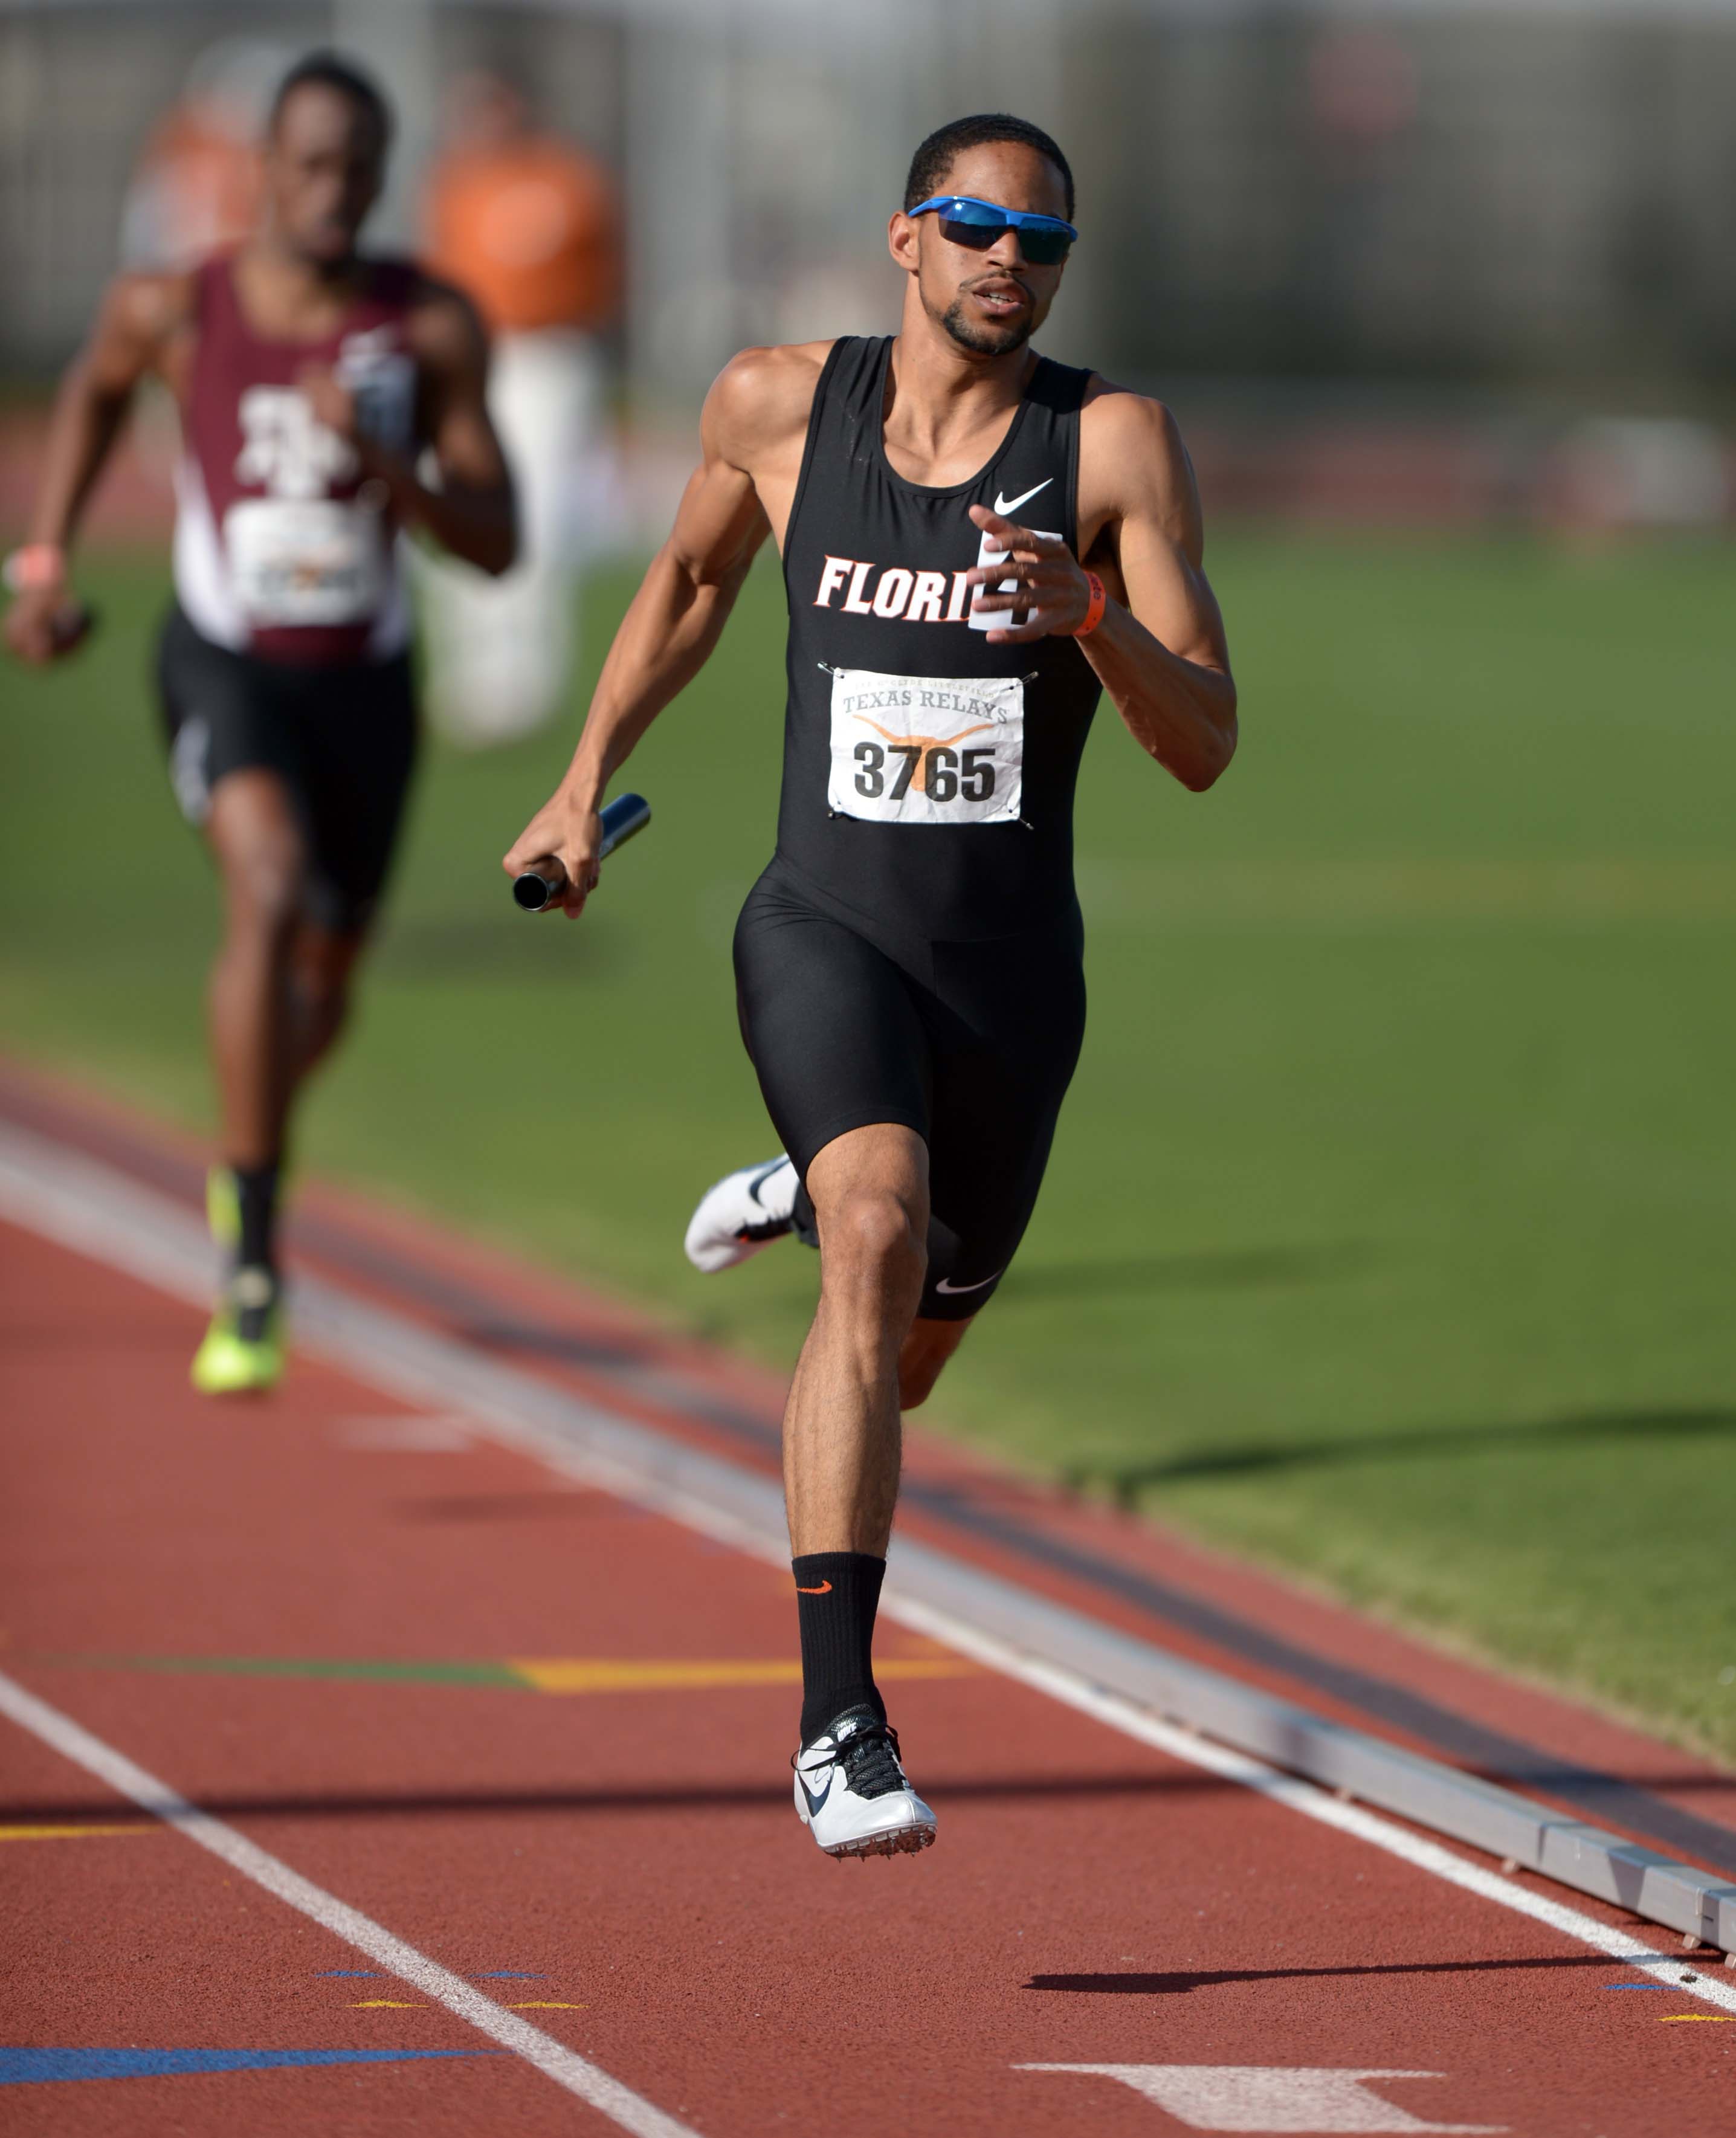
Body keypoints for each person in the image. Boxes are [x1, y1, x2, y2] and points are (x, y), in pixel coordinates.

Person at [505, 113, 1236, 1858]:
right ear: (905, 238)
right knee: (878, 1227)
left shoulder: (1113, 445)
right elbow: (686, 581)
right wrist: (577, 772)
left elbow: (1205, 741)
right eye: (976, 225)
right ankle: (841, 1721)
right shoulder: (776, 405)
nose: (1009, 260)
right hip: (822, 922)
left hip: (1007, 981)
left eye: (1041, 240)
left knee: (899, 1359)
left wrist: (1090, 621)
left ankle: (806, 1179)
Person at [5, 51, 515, 1395]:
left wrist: (387, 464)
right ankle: (251, 1242)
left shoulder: (433, 324)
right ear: (263, 171)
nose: (333, 190)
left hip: (366, 683)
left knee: (327, 980)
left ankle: (253, 1144)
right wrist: (43, 561)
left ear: (381, 174)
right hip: (225, 658)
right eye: (309, 164)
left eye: (358, 168)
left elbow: (500, 541)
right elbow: (99, 388)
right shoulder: (174, 305)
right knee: (269, 890)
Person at [420, 71, 621, 745]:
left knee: (539, 516)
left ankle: (524, 683)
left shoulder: (566, 178)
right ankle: (469, 673)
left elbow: (603, 273)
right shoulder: (456, 183)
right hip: (474, 360)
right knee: (458, 501)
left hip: (546, 358)